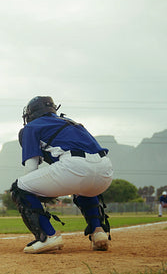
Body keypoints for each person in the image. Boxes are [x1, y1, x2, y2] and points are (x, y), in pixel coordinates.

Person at [10, 96, 114, 254]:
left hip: (75, 167)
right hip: (105, 170)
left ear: (31, 114)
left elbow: (30, 170)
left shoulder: (31, 127)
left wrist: (38, 194)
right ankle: (98, 232)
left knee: (19, 188)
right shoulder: (71, 122)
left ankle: (47, 237)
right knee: (84, 186)